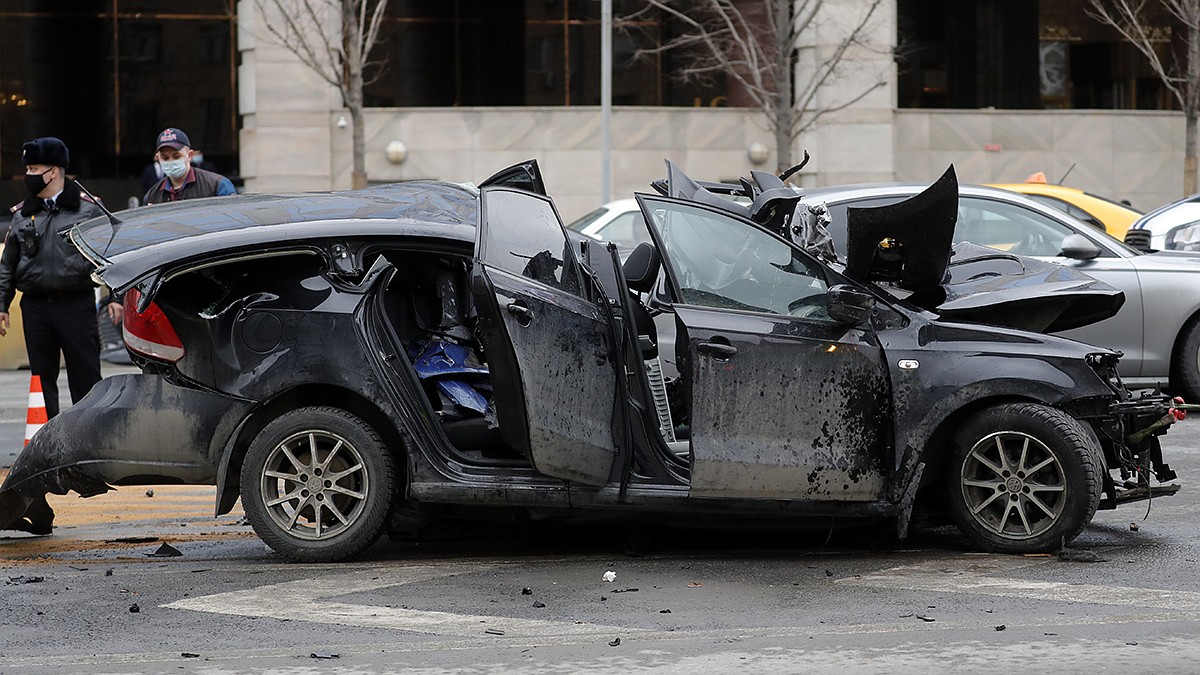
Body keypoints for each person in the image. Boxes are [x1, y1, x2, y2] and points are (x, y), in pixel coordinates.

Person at [0, 137, 122, 418]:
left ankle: (89, 441)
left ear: (53, 171)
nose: (28, 176)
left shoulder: (88, 209)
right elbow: (9, 263)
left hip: (75, 305)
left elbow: (112, 254)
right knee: (41, 382)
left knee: (86, 378)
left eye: (33, 169)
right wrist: (2, 304)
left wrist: (116, 297)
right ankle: (46, 444)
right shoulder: (23, 213)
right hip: (36, 307)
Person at [142, 127, 235, 204]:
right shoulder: (152, 196)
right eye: (165, 158)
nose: (171, 161)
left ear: (190, 155)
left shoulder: (217, 185)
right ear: (158, 158)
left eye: (176, 156)